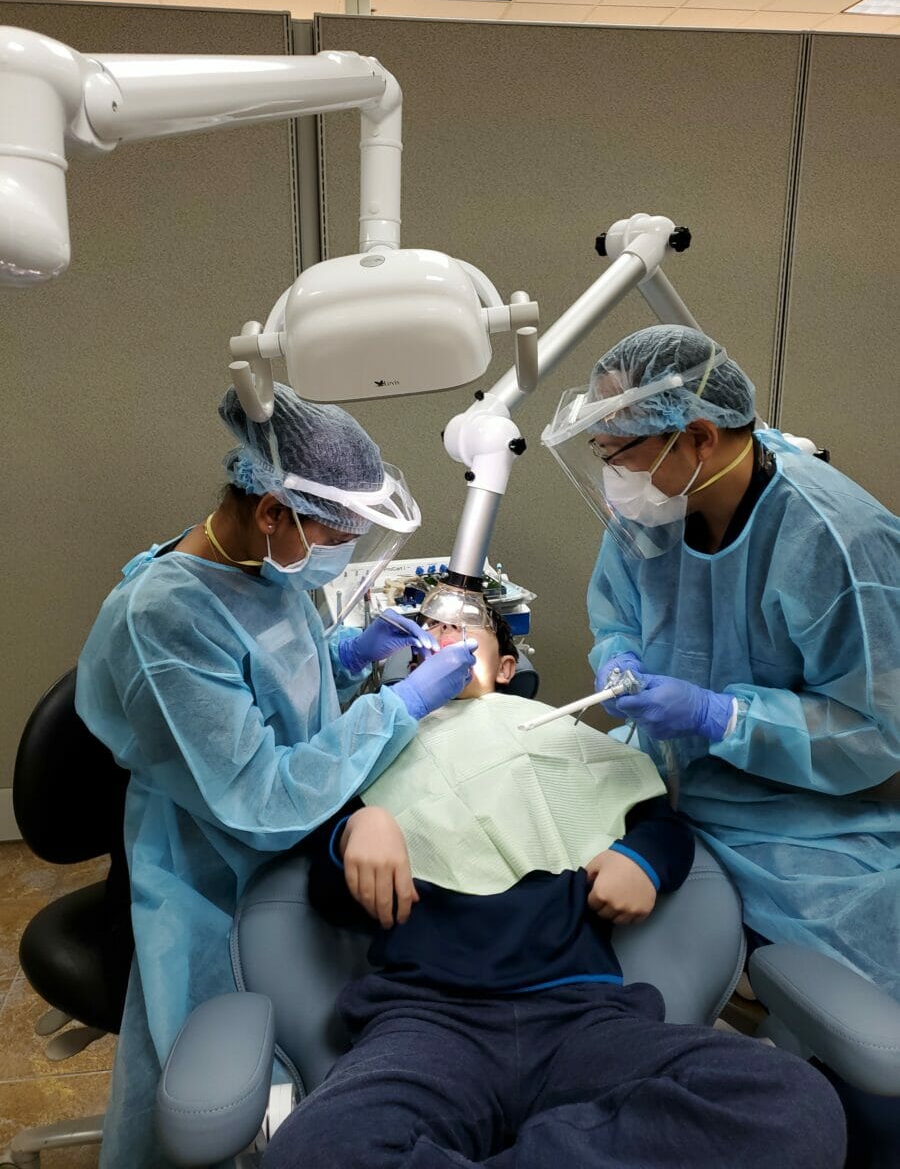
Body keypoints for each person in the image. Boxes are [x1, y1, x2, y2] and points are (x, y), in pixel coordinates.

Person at [263, 611, 846, 1169]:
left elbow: (662, 826)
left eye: (465, 626)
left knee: (797, 1108)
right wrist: (353, 831)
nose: (443, 632)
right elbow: (330, 895)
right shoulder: (371, 744)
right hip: (426, 1021)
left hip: (586, 1019)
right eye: (429, 626)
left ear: (508, 666)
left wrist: (642, 860)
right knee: (313, 1151)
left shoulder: (563, 741)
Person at [75, 382, 477, 1168]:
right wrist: (396, 709)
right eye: (338, 535)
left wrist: (348, 656)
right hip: (212, 870)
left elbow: (271, 686)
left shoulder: (259, 566)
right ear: (272, 512)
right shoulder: (165, 618)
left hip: (285, 827)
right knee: (217, 1092)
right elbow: (259, 799)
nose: (344, 554)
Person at [542, 323, 900, 1003]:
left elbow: (876, 733)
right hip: (668, 772)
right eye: (603, 452)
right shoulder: (658, 507)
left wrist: (722, 715)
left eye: (622, 453)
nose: (615, 475)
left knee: (847, 964)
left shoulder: (837, 542)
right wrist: (617, 653)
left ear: (701, 437)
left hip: (801, 812)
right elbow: (618, 610)